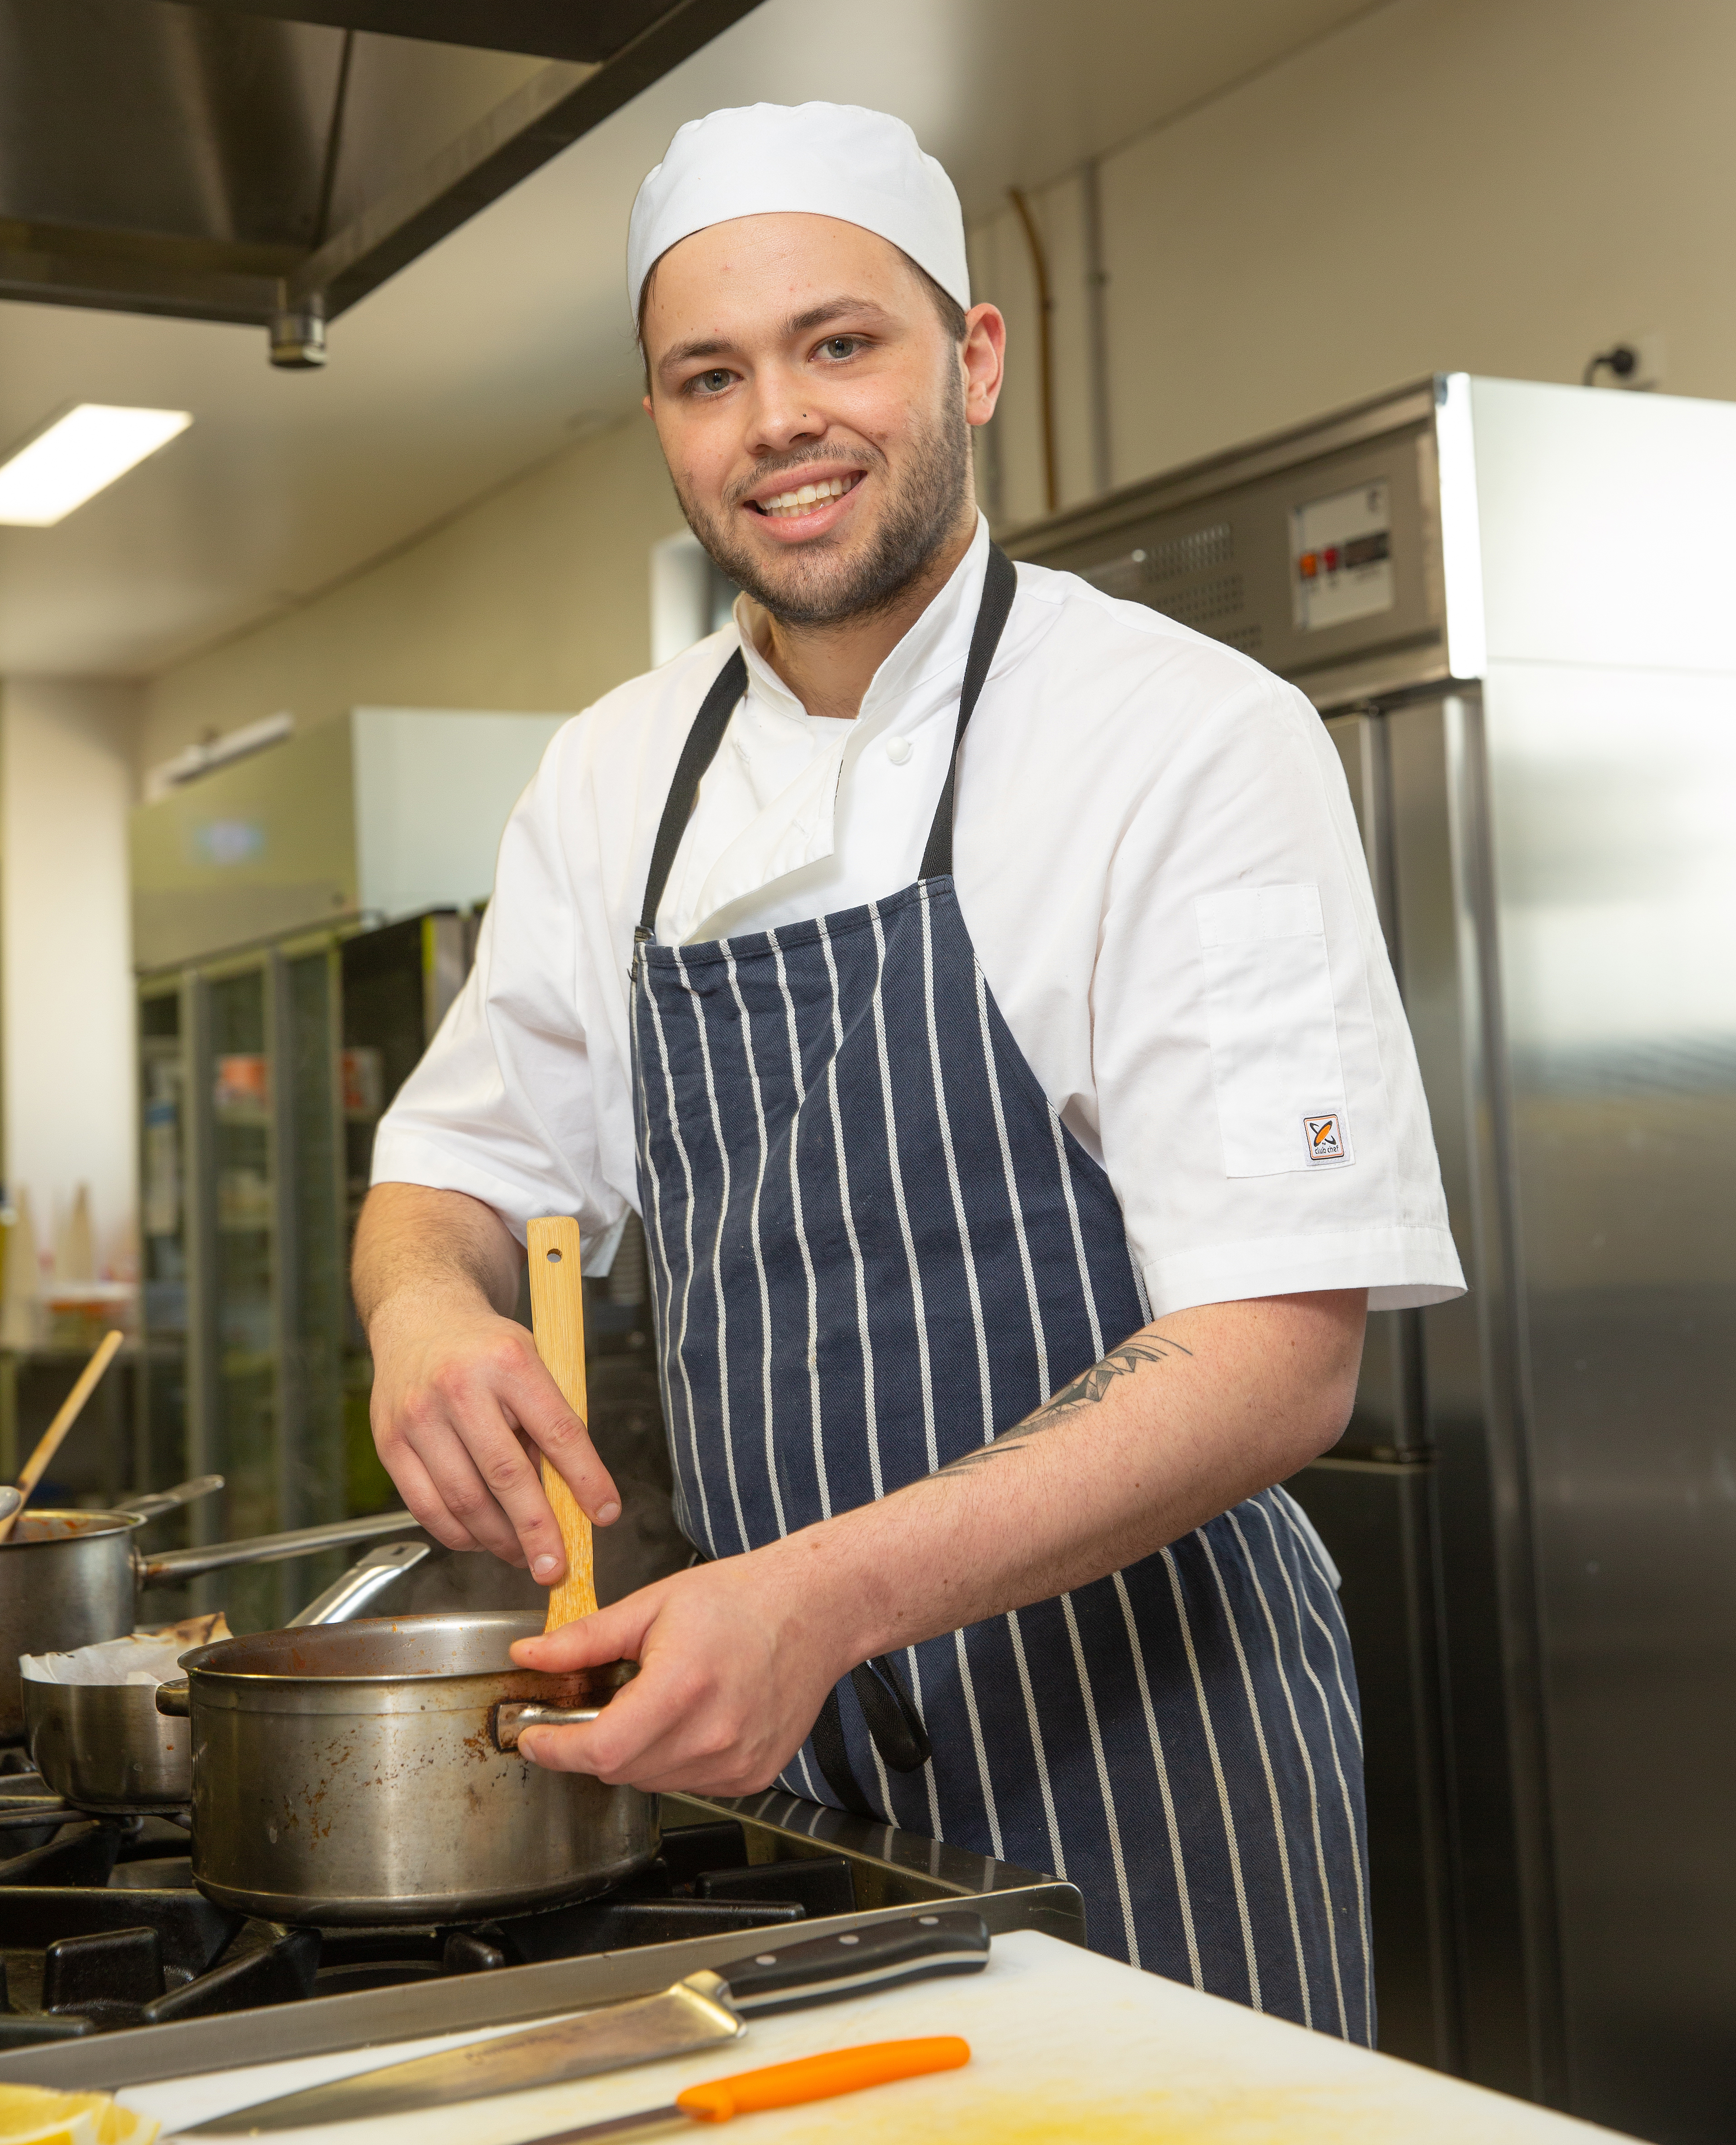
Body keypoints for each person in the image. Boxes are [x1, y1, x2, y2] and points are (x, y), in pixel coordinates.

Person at [354, 100, 1463, 2037]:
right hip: (768, 1761)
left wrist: (827, 1597)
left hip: (1150, 1740)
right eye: (711, 374)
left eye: (838, 343)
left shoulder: (1186, 740)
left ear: (975, 360)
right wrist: (420, 1317)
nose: (775, 417)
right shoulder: (615, 775)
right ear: (664, 424)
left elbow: (1283, 1355)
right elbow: (450, 1174)